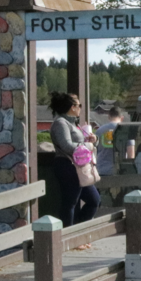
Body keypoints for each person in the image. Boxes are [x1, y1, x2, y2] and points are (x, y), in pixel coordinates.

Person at [48, 91, 99, 228]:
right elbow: (66, 145)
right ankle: (68, 237)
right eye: (79, 105)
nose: (80, 108)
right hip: (67, 166)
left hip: (79, 167)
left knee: (94, 200)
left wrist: (93, 140)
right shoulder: (61, 123)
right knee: (70, 202)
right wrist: (88, 145)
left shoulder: (73, 124)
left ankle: (78, 233)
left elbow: (80, 145)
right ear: (72, 107)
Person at [96, 106, 123, 177]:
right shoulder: (125, 130)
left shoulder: (99, 131)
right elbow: (130, 153)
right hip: (120, 170)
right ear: (122, 117)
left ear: (108, 116)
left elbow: (95, 150)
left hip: (101, 169)